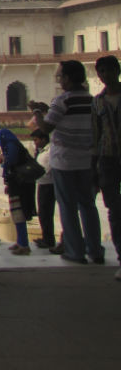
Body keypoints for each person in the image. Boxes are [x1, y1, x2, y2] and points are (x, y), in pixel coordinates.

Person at [29, 60, 103, 265]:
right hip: (86, 160)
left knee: (67, 207)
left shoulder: (62, 100)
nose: (59, 79)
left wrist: (36, 111)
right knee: (88, 206)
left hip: (64, 162)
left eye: (60, 76)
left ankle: (75, 252)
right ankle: (95, 250)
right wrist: (47, 109)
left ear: (68, 79)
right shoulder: (92, 100)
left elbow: (45, 128)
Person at [91, 55, 121, 281]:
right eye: (101, 72)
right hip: (107, 159)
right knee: (114, 210)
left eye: (109, 70)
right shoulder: (98, 102)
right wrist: (94, 166)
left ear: (117, 71)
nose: (105, 75)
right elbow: (95, 134)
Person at [0, 128, 37, 255]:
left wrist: (3, 161)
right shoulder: (13, 146)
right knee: (16, 214)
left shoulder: (11, 146)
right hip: (17, 184)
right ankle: (20, 241)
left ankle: (24, 244)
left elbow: (11, 163)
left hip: (20, 186)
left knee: (19, 213)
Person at [30, 127, 57, 250]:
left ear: (44, 139)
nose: (35, 142)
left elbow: (48, 169)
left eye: (36, 140)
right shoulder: (41, 151)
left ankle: (49, 239)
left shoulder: (50, 150)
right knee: (43, 213)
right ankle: (46, 237)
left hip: (49, 185)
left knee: (46, 213)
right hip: (41, 184)